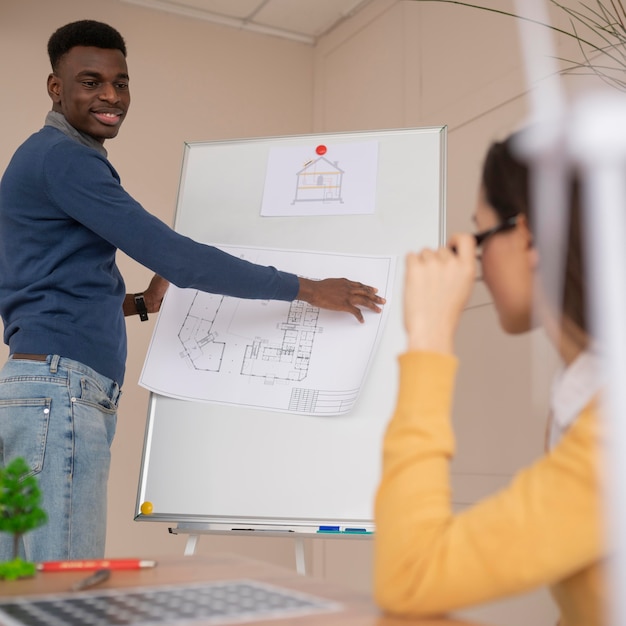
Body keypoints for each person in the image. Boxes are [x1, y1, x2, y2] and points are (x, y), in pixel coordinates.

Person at [0, 19, 385, 563]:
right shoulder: (65, 159)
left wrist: (137, 303)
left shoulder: (39, 159)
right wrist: (306, 288)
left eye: (121, 82)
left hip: (33, 393)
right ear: (55, 87)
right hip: (58, 397)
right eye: (91, 82)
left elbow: (34, 281)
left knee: (24, 591)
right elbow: (176, 257)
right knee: (66, 591)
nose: (111, 96)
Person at [374, 132, 606, 625]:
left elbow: (411, 576)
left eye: (479, 239)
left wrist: (430, 335)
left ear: (528, 237)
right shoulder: (585, 398)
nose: (475, 267)